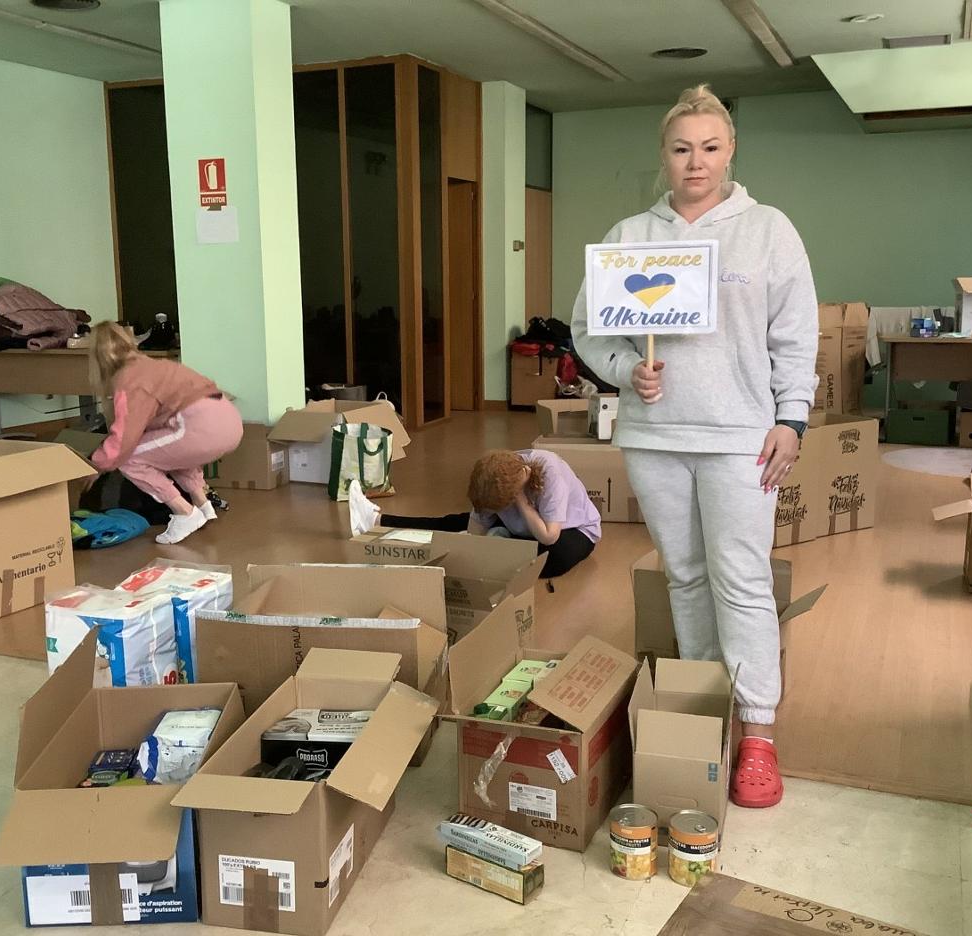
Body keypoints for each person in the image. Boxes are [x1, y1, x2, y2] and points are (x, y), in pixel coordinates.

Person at [572, 85, 818, 809]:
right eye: (682, 149)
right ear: (664, 156)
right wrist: (626, 370)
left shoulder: (768, 230)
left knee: (740, 578)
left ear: (731, 150)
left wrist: (792, 419)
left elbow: (796, 334)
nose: (696, 162)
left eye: (710, 147)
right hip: (655, 436)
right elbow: (591, 328)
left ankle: (760, 736)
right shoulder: (629, 236)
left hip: (743, 436)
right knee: (685, 575)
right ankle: (709, 711)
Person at [87, 321, 244, 545]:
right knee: (169, 450)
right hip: (229, 420)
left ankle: (184, 513)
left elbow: (124, 439)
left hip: (202, 427)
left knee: (130, 458)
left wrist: (96, 464)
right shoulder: (154, 365)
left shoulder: (129, 379)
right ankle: (203, 504)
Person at [347, 449, 600, 579]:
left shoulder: (549, 471)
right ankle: (377, 520)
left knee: (554, 555)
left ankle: (502, 541)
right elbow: (474, 530)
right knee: (455, 523)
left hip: (571, 530)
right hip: (520, 528)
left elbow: (549, 536)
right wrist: (469, 547)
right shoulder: (493, 476)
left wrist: (521, 499)